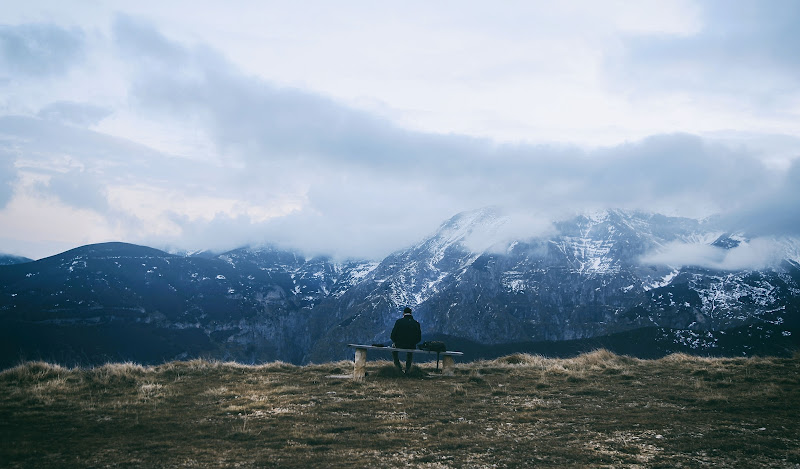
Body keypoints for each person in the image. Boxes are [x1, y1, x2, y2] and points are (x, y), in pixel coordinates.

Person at [391, 307, 421, 374]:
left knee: (394, 350)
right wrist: (413, 343)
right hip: (411, 346)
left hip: (399, 344)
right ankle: (408, 369)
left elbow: (392, 335)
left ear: (403, 313)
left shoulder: (399, 322)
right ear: (411, 313)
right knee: (410, 353)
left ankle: (398, 368)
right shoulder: (416, 323)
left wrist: (396, 342)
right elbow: (419, 338)